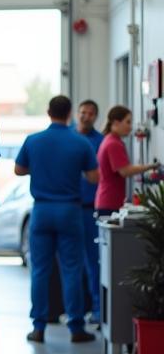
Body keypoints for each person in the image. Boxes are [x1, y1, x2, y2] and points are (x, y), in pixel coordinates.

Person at [15, 95, 99, 344]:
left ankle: (39, 327)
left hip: (41, 211)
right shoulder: (81, 142)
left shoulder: (33, 141)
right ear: (70, 113)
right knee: (72, 269)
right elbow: (94, 177)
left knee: (39, 270)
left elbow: (19, 169)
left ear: (48, 111)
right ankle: (75, 327)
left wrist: (40, 169)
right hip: (69, 211)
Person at [94, 105, 157, 216]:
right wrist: (151, 166)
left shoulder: (109, 140)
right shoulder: (113, 143)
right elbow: (125, 171)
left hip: (107, 201)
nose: (130, 127)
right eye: (128, 122)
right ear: (116, 123)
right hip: (109, 203)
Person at [75, 100, 105, 322]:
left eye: (90, 113)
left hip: (88, 208)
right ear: (77, 113)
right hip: (67, 206)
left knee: (92, 261)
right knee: (69, 263)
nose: (86, 116)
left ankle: (96, 309)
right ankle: (73, 310)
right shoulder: (67, 137)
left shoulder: (99, 142)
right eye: (83, 112)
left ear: (96, 117)